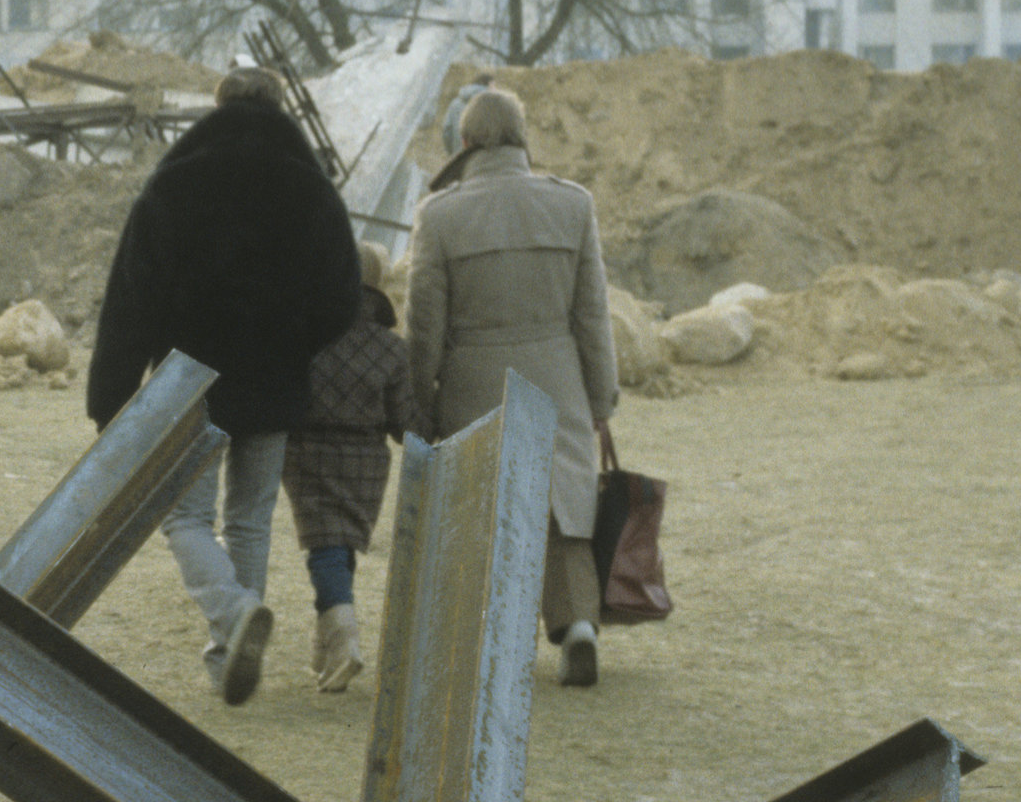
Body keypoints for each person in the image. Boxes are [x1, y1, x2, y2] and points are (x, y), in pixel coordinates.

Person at [87, 66, 361, 704]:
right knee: (250, 520)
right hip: (274, 376)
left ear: (216, 107)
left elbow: (130, 300)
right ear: (280, 107)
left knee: (181, 515)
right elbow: (344, 298)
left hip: (189, 379)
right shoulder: (313, 191)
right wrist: (295, 341)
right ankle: (227, 657)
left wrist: (112, 401)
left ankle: (234, 620)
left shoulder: (173, 185)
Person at [405, 84, 621, 684]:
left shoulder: (439, 215)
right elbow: (592, 315)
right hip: (558, 373)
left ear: (466, 141)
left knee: (481, 504)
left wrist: (419, 398)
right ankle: (578, 624)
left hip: (474, 377)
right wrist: (600, 398)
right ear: (523, 136)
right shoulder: (572, 204)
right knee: (563, 512)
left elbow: (425, 324)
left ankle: (484, 639)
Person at [282, 241, 414, 692]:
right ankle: (326, 659)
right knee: (340, 548)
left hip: (307, 453)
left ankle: (345, 641)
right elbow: (404, 422)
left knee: (324, 548)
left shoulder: (303, 335)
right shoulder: (392, 350)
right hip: (367, 461)